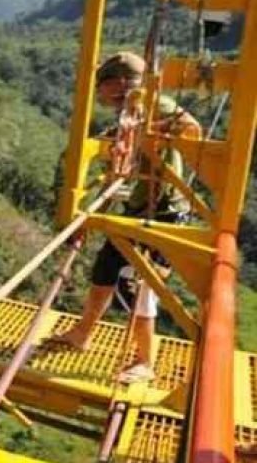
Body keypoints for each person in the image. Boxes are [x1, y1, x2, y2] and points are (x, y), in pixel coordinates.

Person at [51, 51, 202, 383]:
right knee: (105, 270)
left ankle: (145, 361)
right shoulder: (131, 108)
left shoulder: (149, 102)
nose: (99, 95)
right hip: (140, 205)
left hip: (163, 211)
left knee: (139, 286)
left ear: (117, 83)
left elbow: (191, 128)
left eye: (101, 86)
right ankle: (82, 334)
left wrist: (147, 133)